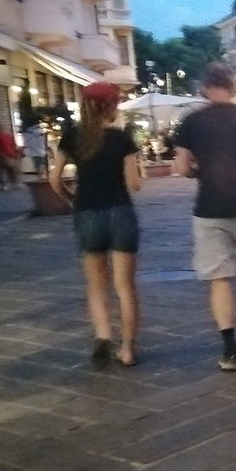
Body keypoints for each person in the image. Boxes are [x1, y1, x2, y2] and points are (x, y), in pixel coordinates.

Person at [173, 62, 236, 371]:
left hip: (210, 207)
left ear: (205, 88)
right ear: (233, 87)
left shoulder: (191, 121)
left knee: (219, 278)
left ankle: (230, 349)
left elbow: (181, 167)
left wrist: (199, 171)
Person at [49, 82, 142, 368]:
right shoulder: (121, 139)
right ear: (110, 106)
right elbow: (134, 184)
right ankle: (127, 350)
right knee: (124, 286)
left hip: (87, 211)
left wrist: (71, 199)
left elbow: (54, 178)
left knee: (96, 284)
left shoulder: (72, 136)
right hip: (120, 211)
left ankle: (103, 337)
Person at [0, 123, 22, 190]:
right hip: (10, 155)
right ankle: (15, 183)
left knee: (2, 170)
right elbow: (13, 145)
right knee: (12, 169)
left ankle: (5, 185)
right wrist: (15, 154)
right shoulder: (8, 136)